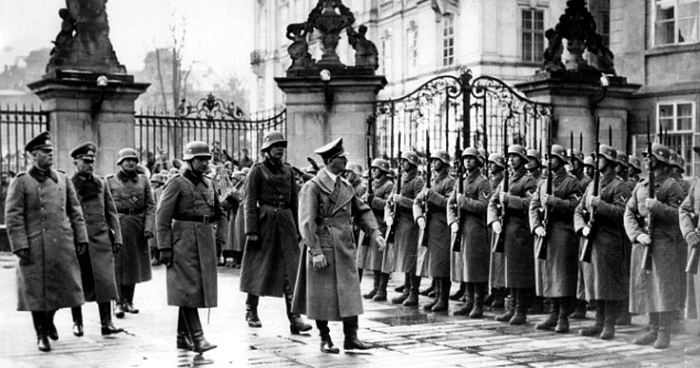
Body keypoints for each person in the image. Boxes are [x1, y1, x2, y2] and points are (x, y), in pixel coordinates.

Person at [292, 137, 386, 353]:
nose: (346, 161)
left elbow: (361, 210)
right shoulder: (312, 186)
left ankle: (351, 337)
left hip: (344, 246)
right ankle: (325, 339)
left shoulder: (345, 185)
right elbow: (307, 221)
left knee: (350, 291)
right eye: (342, 158)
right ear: (332, 160)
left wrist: (374, 232)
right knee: (321, 294)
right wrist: (315, 251)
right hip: (322, 245)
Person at [5, 131, 88, 352]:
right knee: (35, 292)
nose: (50, 155)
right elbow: (13, 216)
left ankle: (49, 320)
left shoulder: (62, 179)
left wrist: (81, 237)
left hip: (61, 244)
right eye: (45, 152)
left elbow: (75, 211)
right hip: (34, 246)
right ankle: (41, 333)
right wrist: (20, 244)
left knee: (63, 289)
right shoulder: (22, 181)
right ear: (33, 155)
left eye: (51, 152)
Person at [156, 141, 225, 353]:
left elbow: (219, 213)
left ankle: (181, 337)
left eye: (206, 159)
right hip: (183, 240)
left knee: (192, 288)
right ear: (189, 160)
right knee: (187, 287)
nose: (204, 163)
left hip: (204, 239)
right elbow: (162, 216)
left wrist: (220, 239)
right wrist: (164, 247)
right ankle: (197, 337)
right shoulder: (176, 183)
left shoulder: (209, 183)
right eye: (200, 159)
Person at [240, 131, 312, 334]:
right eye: (275, 146)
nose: (279, 149)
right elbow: (249, 201)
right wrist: (251, 229)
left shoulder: (288, 170)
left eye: (282, 145)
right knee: (258, 268)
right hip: (265, 224)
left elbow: (295, 202)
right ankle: (251, 309)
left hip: (286, 222)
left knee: (291, 270)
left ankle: (294, 317)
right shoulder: (257, 170)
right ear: (267, 149)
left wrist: (298, 227)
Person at [624, 143, 684, 349]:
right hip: (643, 242)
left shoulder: (671, 186)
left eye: (649, 157)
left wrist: (657, 207)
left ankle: (664, 332)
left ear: (659, 159)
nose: (646, 160)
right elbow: (629, 212)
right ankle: (651, 328)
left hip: (663, 242)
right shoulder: (640, 185)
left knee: (663, 287)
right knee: (647, 285)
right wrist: (636, 234)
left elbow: (680, 215)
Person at [573, 144, 630, 340]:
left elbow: (623, 213)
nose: (596, 161)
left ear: (610, 161)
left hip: (609, 240)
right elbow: (579, 209)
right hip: (591, 239)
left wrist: (601, 205)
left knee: (608, 284)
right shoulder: (591, 185)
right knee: (594, 282)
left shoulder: (619, 185)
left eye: (600, 158)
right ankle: (598, 321)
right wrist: (582, 227)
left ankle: (609, 324)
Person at [68, 142, 124, 337]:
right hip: (79, 241)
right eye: (85, 161)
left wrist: (117, 237)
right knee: (78, 281)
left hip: (101, 239)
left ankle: (106, 323)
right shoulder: (68, 184)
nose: (90, 165)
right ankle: (78, 323)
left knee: (105, 281)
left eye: (92, 162)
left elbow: (111, 211)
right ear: (76, 162)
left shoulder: (101, 183)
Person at [529, 144, 582, 333]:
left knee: (562, 276)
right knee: (548, 273)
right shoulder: (543, 182)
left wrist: (556, 202)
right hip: (546, 233)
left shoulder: (571, 182)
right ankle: (552, 313)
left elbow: (577, 205)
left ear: (560, 160)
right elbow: (534, 204)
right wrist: (536, 226)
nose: (548, 161)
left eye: (552, 157)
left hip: (563, 232)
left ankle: (563, 317)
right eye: (547, 157)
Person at [487, 145, 538, 325]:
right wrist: (493, 220)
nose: (511, 160)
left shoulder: (528, 181)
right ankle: (512, 307)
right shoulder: (506, 180)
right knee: (510, 271)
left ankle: (520, 310)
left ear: (523, 160)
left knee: (520, 272)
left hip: (520, 231)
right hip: (506, 230)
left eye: (515, 157)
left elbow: (532, 203)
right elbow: (492, 201)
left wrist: (511, 200)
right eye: (509, 157)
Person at [107, 148, 156, 318]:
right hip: (119, 226)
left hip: (137, 226)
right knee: (119, 265)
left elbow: (150, 205)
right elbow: (107, 207)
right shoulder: (110, 182)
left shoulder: (143, 181)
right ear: (120, 163)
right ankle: (118, 302)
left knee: (134, 264)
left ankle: (129, 301)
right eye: (126, 160)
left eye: (133, 160)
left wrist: (148, 227)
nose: (130, 163)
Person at [447, 147, 491, 317]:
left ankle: (478, 303)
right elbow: (451, 203)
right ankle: (469, 300)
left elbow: (484, 206)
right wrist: (452, 221)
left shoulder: (483, 182)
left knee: (475, 267)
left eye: (471, 158)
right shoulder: (461, 180)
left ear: (478, 161)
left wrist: (463, 201)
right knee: (465, 266)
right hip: (462, 228)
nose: (467, 161)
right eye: (465, 158)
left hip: (476, 229)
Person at [414, 150, 455, 312]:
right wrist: (419, 217)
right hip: (430, 225)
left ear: (444, 164)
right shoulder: (431, 180)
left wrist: (432, 196)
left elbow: (450, 203)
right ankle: (437, 295)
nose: (433, 163)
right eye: (432, 161)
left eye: (437, 161)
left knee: (441, 263)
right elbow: (418, 200)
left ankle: (443, 299)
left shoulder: (450, 182)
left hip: (443, 226)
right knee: (434, 263)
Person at [386, 151, 425, 306]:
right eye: (401, 161)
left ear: (413, 163)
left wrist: (401, 200)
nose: (402, 164)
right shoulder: (401, 180)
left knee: (412, 259)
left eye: (405, 161)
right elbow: (392, 197)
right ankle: (407, 290)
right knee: (405, 258)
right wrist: (390, 202)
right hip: (401, 223)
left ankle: (413, 292)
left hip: (411, 224)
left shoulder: (417, 181)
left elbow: (420, 204)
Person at [357, 158, 393, 301]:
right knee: (372, 258)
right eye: (372, 169)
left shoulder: (389, 185)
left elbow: (388, 204)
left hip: (380, 224)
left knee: (380, 259)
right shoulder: (372, 184)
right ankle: (375, 286)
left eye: (376, 169)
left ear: (383, 171)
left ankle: (382, 289)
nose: (373, 171)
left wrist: (373, 200)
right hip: (369, 224)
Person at [148, 174, 166, 265]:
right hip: (154, 215)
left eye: (155, 182)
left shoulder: (159, 191)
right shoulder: (155, 191)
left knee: (155, 239)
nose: (153, 184)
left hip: (156, 216)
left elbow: (158, 204)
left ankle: (156, 257)